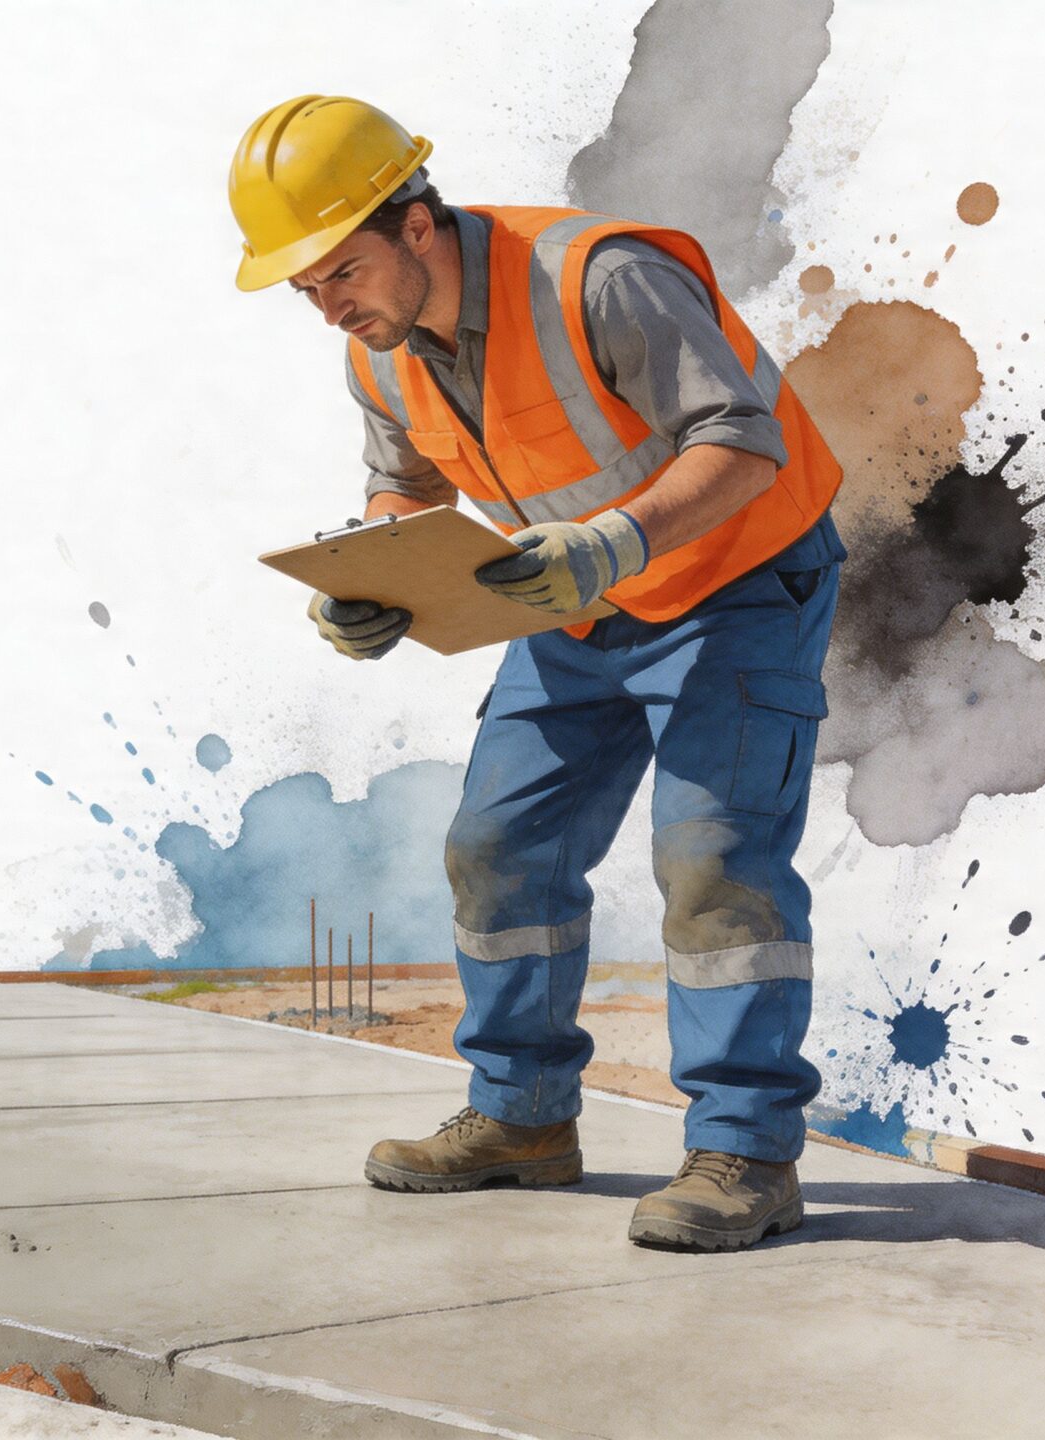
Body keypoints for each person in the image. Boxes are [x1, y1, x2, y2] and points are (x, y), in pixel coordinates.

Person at [228, 95, 847, 1251]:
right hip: (573, 606)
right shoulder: (383, 352)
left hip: (741, 586)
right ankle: (520, 1121)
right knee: (496, 846)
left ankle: (746, 1153)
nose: (327, 308)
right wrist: (372, 571)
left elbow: (742, 441)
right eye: (304, 289)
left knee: (714, 860)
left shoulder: (597, 280)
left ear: (415, 222)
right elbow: (406, 489)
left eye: (338, 271)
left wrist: (615, 542)